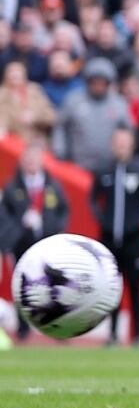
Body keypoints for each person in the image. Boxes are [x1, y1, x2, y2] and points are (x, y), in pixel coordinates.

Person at [91, 128, 139, 344]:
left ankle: (137, 335)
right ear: (113, 144)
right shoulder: (105, 170)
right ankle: (112, 334)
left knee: (136, 287)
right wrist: (104, 221)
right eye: (118, 142)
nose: (121, 146)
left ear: (131, 144)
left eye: (125, 142)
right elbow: (93, 199)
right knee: (112, 289)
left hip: (133, 240)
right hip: (109, 240)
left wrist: (138, 222)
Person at [0, 142, 69, 340]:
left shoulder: (52, 185)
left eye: (34, 159)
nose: (31, 163)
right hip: (21, 243)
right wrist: (20, 225)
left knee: (54, 286)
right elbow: (4, 215)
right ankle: (23, 328)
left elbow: (63, 210)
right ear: (22, 161)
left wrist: (54, 228)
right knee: (22, 286)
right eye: (27, 159)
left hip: (47, 243)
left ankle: (57, 327)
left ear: (41, 160)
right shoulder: (12, 187)